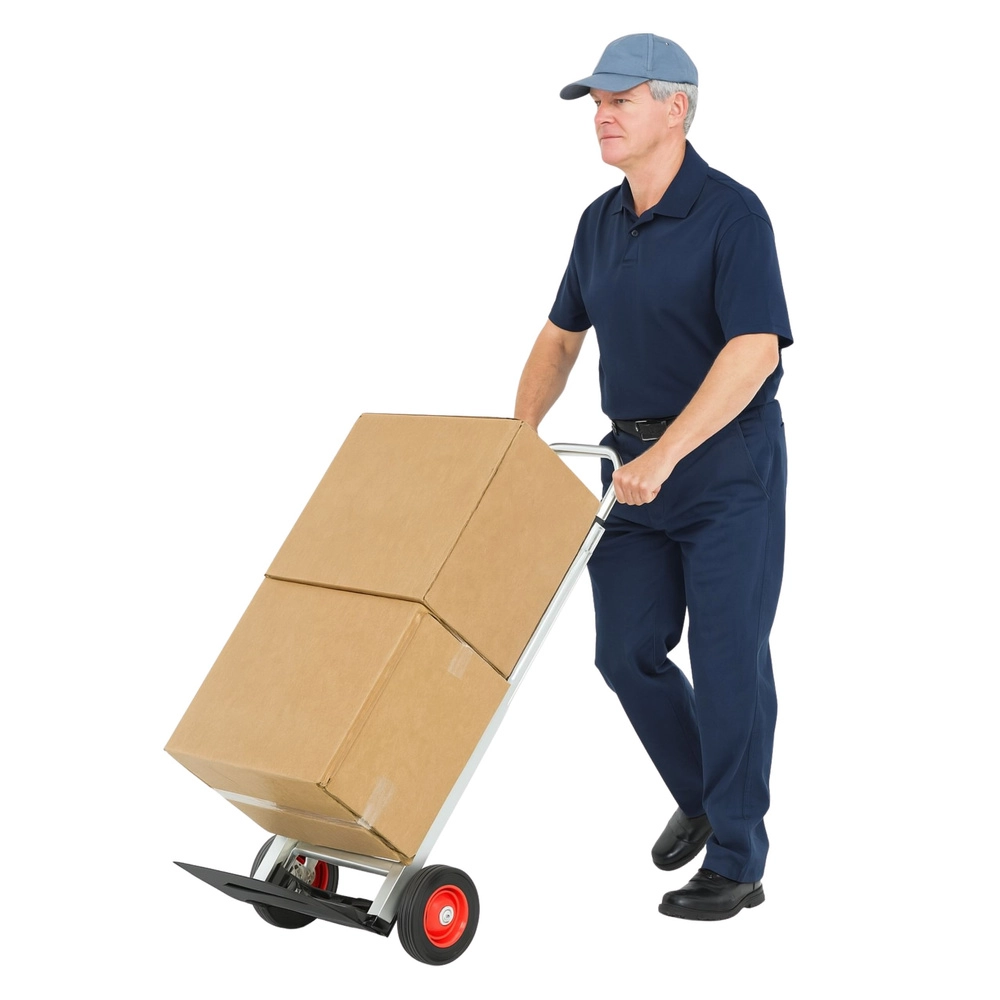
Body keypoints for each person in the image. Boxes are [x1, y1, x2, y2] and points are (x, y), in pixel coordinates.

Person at [514, 33, 792, 921]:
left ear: (677, 108)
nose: (602, 115)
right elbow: (560, 341)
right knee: (625, 652)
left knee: (727, 657)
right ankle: (705, 793)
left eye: (620, 100)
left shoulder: (732, 215)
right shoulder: (598, 222)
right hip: (627, 465)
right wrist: (517, 438)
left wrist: (668, 455)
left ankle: (738, 860)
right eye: (596, 102)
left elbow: (754, 351)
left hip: (725, 467)